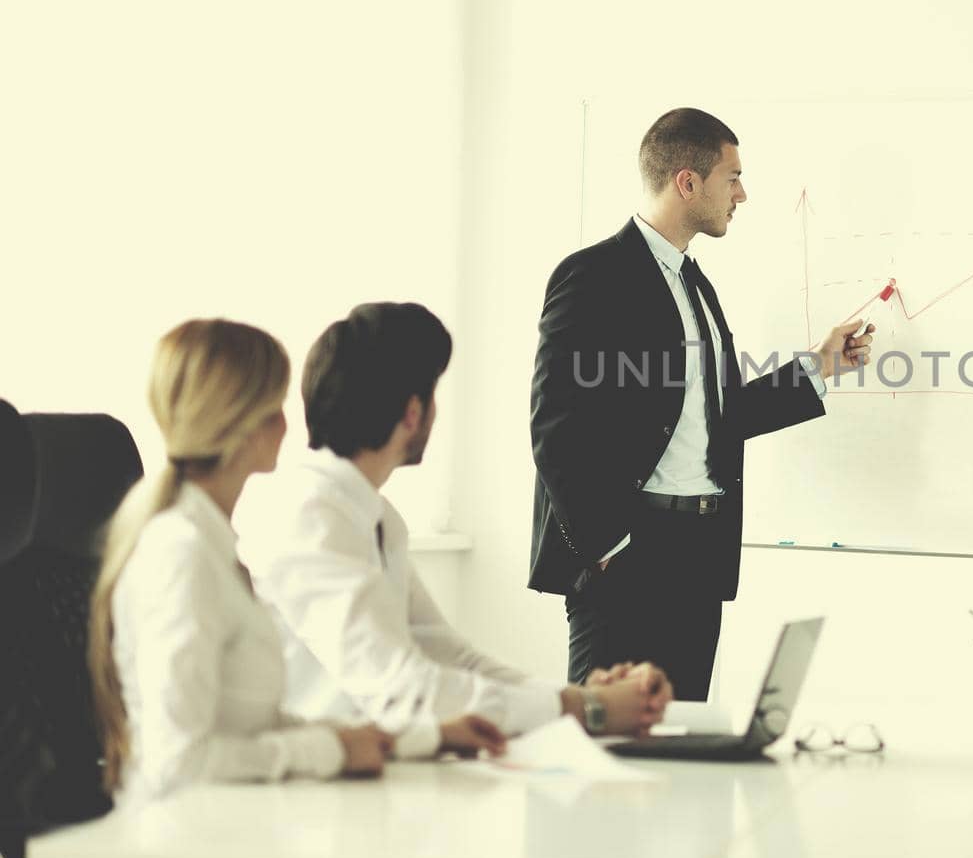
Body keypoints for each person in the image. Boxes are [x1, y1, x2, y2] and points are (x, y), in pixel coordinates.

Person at [529, 108, 874, 699]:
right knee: (607, 749)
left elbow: (716, 415)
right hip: (626, 558)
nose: (743, 193)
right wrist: (606, 549)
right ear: (687, 182)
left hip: (696, 559)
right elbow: (556, 426)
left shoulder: (695, 285)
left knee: (684, 753)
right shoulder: (592, 276)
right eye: (732, 177)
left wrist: (818, 365)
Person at [238, 303, 671, 750]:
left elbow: (447, 653)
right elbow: (405, 690)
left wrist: (581, 697)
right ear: (412, 413)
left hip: (373, 771)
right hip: (315, 789)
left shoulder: (373, 514)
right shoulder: (311, 516)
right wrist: (589, 711)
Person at [88, 319, 392, 803]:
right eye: (275, 408)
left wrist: (348, 739)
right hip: (183, 843)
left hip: (230, 822)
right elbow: (179, 763)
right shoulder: (180, 554)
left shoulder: (213, 542)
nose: (286, 425)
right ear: (242, 423)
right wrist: (325, 750)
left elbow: (248, 723)